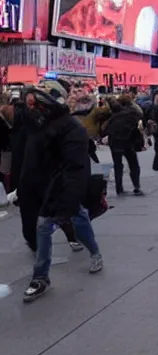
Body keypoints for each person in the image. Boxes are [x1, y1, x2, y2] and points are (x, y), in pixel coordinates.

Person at [19, 81, 103, 302]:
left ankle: (94, 252)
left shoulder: (70, 128)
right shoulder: (39, 128)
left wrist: (68, 196)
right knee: (45, 227)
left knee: (78, 219)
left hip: (63, 187)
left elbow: (76, 167)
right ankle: (41, 277)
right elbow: (32, 161)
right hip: (46, 187)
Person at [104, 95, 144, 196]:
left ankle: (119, 188)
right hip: (127, 143)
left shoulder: (112, 117)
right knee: (133, 165)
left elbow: (105, 130)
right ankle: (137, 187)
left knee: (118, 165)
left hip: (115, 144)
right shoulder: (131, 114)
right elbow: (140, 115)